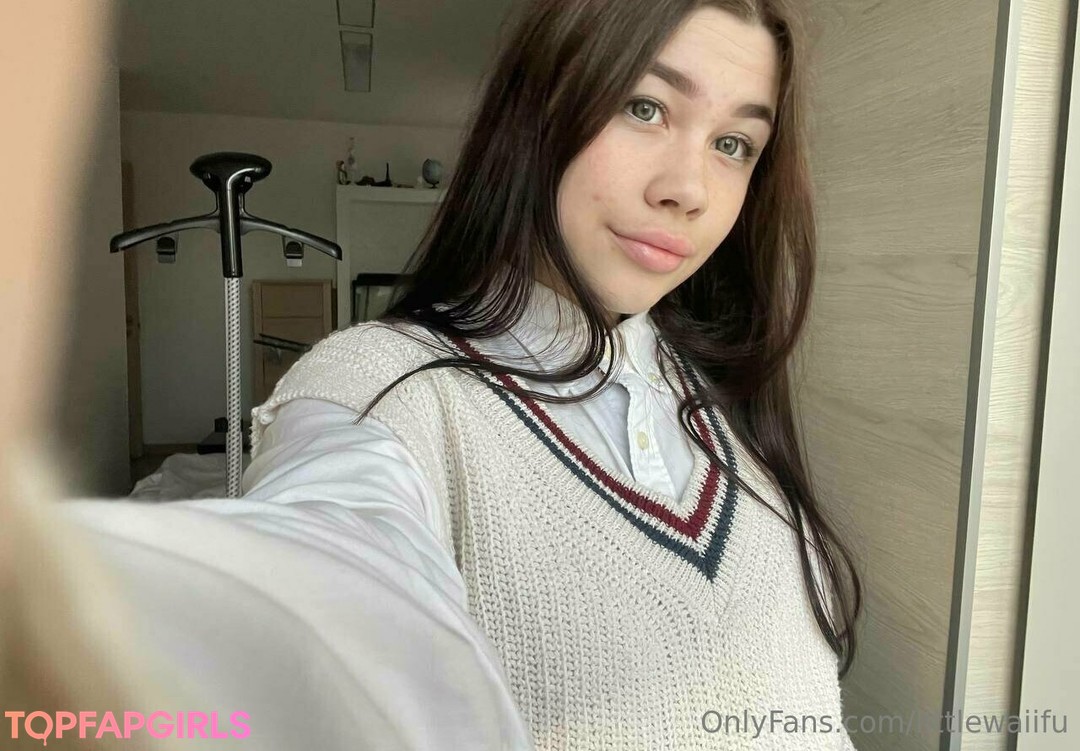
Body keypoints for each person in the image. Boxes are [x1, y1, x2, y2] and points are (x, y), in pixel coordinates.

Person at [58, 0, 864, 748]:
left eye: (734, 144)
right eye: (644, 107)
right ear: (540, 109)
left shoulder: (723, 392)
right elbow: (331, 547)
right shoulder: (383, 381)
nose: (688, 190)